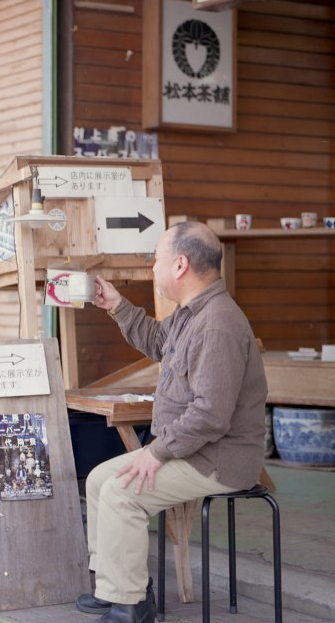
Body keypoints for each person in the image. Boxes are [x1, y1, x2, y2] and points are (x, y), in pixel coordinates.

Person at [77, 221, 268, 623]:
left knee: (121, 493)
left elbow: (210, 415)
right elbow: (157, 341)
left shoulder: (217, 323)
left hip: (216, 460)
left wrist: (157, 453)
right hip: (194, 451)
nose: (152, 267)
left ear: (179, 265)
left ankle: (131, 606)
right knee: (98, 480)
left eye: (156, 259)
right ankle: (115, 584)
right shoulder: (191, 313)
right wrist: (116, 305)